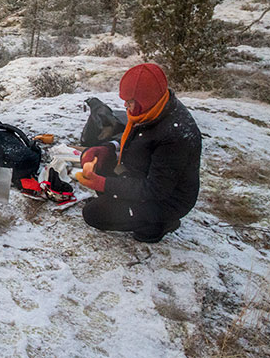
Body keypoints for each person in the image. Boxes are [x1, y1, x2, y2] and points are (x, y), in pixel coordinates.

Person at [75, 63, 201, 243]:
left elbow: (156, 189)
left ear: (146, 98)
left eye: (131, 101)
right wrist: (108, 149)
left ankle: (160, 223)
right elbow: (139, 140)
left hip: (167, 200)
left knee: (94, 213)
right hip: (143, 174)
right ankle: (129, 206)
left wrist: (103, 184)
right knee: (101, 169)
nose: (126, 105)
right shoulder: (153, 109)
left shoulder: (175, 135)